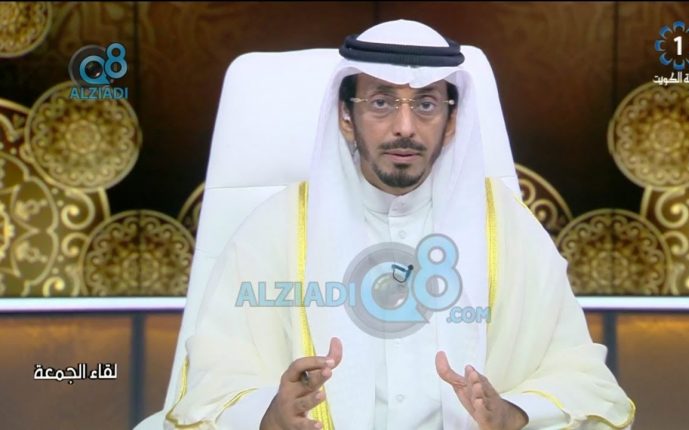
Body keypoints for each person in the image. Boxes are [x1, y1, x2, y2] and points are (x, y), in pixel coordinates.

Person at [164, 20, 635, 430]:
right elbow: (211, 377)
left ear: (452, 121)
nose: (405, 126)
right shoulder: (277, 228)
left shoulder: (507, 229)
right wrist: (268, 415)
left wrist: (513, 412)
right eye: (381, 103)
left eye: (426, 104)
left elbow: (583, 377)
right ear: (346, 116)